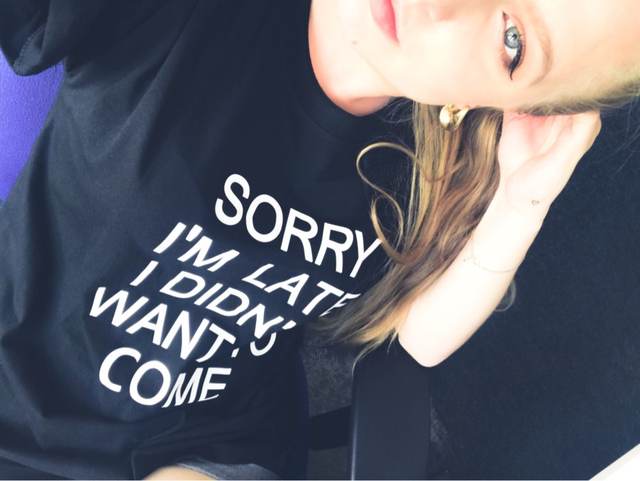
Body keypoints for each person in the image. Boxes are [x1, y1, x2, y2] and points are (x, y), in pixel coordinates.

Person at [0, 0, 638, 479]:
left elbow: (413, 339)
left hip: (206, 440)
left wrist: (523, 201)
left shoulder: (420, 171)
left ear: (501, 105)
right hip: (17, 384)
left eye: (512, 40)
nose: (442, 6)